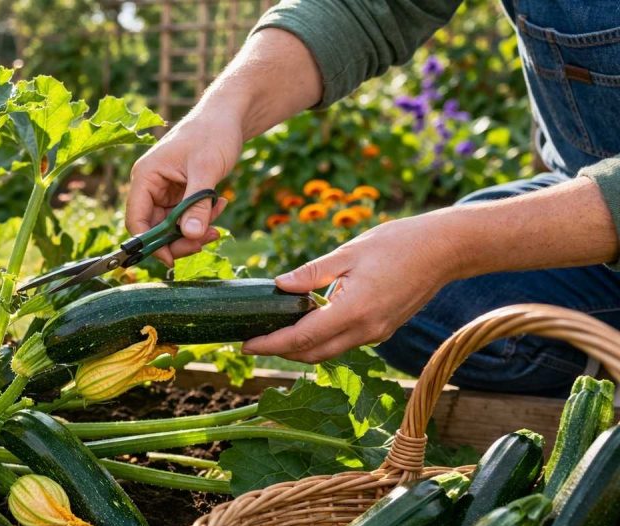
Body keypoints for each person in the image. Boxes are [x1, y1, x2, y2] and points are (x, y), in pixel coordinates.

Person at [125, 0, 620, 397]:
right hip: (581, 216)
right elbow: (368, 8)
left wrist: (448, 245)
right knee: (426, 313)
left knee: (435, 281)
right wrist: (224, 110)